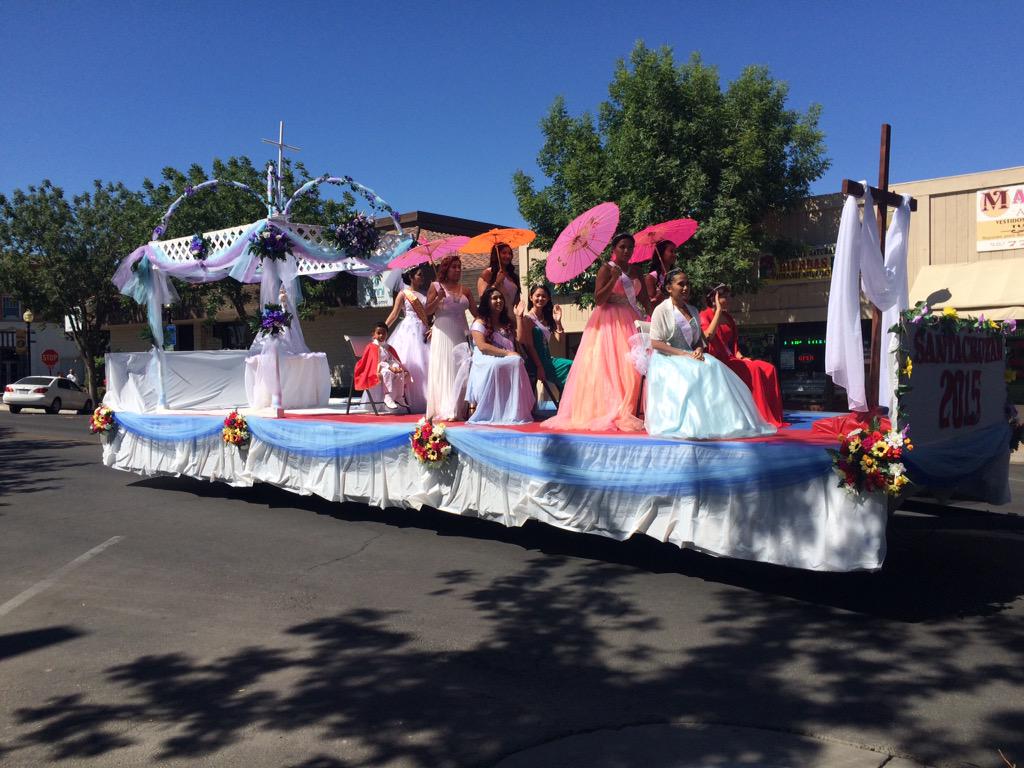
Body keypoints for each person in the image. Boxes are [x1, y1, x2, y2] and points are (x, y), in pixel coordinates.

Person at [646, 270, 775, 439]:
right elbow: (656, 343)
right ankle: (693, 423)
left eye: (687, 284)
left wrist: (698, 348)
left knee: (714, 366)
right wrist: (683, 354)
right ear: (669, 288)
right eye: (681, 284)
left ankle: (725, 422)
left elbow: (698, 339)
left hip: (691, 355)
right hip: (668, 358)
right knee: (696, 371)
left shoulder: (692, 310)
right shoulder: (661, 310)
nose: (686, 288)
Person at [545, 232, 645, 432]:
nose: (627, 251)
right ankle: (612, 407)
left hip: (631, 318)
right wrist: (613, 279)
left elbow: (646, 301)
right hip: (609, 320)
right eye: (622, 247)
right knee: (612, 366)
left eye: (630, 247)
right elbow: (599, 299)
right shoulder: (606, 269)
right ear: (614, 249)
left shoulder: (636, 271)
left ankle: (634, 407)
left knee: (635, 366)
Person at [699, 284, 784, 427]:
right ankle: (759, 417)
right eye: (724, 296)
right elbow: (708, 336)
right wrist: (718, 311)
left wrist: (740, 356)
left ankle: (770, 415)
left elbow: (734, 344)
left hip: (731, 358)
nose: (728, 299)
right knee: (754, 370)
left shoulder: (728, 317)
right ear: (714, 299)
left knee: (769, 368)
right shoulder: (704, 315)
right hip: (716, 360)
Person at [466, 287, 534, 424]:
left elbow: (521, 340)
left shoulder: (507, 322)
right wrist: (507, 353)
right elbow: (482, 347)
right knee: (505, 362)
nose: (499, 301)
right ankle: (491, 411)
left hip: (506, 359)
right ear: (487, 302)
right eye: (495, 298)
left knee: (516, 361)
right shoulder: (479, 322)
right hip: (485, 360)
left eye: (501, 298)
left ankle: (516, 411)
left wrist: (519, 317)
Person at [424, 254, 474, 420]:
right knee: (444, 367)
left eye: (459, 267)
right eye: (454, 267)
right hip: (442, 332)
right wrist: (438, 298)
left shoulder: (465, 290)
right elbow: (426, 312)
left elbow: (477, 313)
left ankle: (459, 408)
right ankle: (444, 408)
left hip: (460, 333)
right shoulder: (435, 286)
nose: (458, 270)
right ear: (446, 268)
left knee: (461, 368)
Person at [385, 264, 432, 412]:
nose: (422, 277)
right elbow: (394, 314)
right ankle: (403, 398)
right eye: (419, 275)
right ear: (411, 277)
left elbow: (430, 314)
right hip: (408, 330)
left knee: (426, 365)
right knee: (408, 361)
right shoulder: (404, 293)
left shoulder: (425, 294)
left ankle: (426, 399)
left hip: (424, 330)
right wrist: (382, 330)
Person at [517, 282, 572, 393]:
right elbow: (529, 345)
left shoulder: (547, 318)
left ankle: (567, 404)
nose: (541, 298)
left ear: (548, 299)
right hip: (537, 363)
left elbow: (560, 340)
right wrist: (539, 367)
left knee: (574, 367)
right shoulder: (528, 319)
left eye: (544, 296)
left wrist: (558, 322)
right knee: (572, 369)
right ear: (531, 297)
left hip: (548, 360)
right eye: (538, 295)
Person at [353, 322, 410, 410]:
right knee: (387, 373)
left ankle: (399, 396)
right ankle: (387, 396)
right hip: (376, 369)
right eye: (378, 333)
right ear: (373, 334)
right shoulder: (371, 347)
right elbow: (374, 363)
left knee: (400, 373)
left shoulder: (387, 347)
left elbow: (392, 359)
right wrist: (389, 367)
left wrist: (396, 366)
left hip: (389, 368)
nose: (381, 335)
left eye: (384, 333)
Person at [476, 242, 520, 311]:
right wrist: (497, 283)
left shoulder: (513, 275)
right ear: (496, 255)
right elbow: (483, 299)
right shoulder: (488, 273)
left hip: (512, 316)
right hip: (495, 317)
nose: (508, 256)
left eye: (510, 253)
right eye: (504, 253)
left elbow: (517, 300)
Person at [642, 240, 679, 309]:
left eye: (675, 252)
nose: (675, 255)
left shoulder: (676, 275)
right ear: (661, 254)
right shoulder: (650, 277)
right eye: (671, 251)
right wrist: (660, 294)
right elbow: (650, 305)